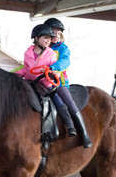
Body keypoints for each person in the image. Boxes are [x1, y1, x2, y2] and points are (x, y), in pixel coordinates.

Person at [15, 24, 77, 137]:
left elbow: (55, 71)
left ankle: (70, 125)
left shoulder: (51, 54)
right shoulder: (28, 53)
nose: (48, 40)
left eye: (49, 38)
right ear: (36, 38)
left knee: (58, 101)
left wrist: (50, 71)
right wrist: (13, 74)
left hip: (45, 84)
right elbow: (26, 69)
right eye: (45, 38)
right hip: (29, 83)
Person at [44, 18, 92, 148]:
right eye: (54, 33)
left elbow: (65, 61)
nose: (56, 36)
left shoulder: (63, 48)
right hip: (43, 82)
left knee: (69, 103)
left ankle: (84, 134)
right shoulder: (42, 48)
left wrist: (54, 68)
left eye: (59, 34)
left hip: (58, 83)